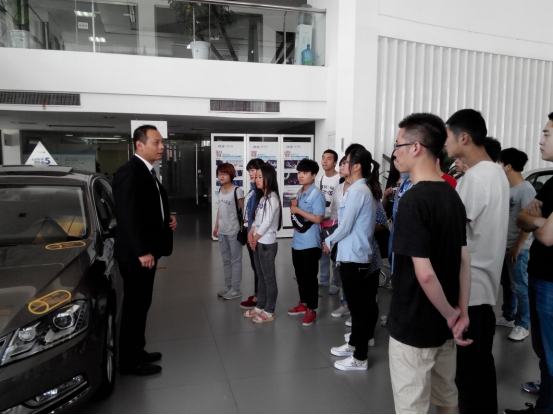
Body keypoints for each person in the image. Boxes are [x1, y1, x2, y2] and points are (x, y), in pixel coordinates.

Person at [388, 113, 471, 413]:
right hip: (444, 328)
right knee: (447, 399)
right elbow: (464, 260)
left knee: (413, 406)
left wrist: (451, 314)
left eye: (398, 145)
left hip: (414, 327)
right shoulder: (452, 196)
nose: (394, 153)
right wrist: (460, 312)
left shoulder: (413, 200)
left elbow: (424, 274)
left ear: (416, 147)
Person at [445, 108, 509, 414]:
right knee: (482, 369)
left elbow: (455, 234)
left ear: (464, 138)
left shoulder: (474, 178)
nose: (445, 143)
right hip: (487, 289)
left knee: (469, 376)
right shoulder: (496, 172)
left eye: (447, 136)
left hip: (470, 291)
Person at [113, 124, 177, 376]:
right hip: (136, 256)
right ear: (139, 145)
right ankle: (130, 362)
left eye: (162, 142)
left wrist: (166, 218)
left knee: (142, 303)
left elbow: (147, 207)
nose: (162, 147)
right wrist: (141, 251)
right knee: (134, 306)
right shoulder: (129, 172)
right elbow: (126, 216)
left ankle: (137, 351)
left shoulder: (147, 171)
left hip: (147, 250)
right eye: (156, 142)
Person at [506, 112, 553, 414]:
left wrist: (537, 221)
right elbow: (523, 218)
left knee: (550, 351)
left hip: (550, 283)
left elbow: (546, 236)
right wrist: (538, 220)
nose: (541, 140)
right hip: (542, 276)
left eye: (547, 134)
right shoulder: (551, 183)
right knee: (544, 351)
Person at [323, 148, 381, 371]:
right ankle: (354, 344)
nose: (342, 165)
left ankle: (360, 357)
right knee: (359, 307)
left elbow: (345, 226)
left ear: (357, 166)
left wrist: (329, 241)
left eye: (345, 161)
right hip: (352, 255)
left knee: (358, 309)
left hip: (354, 257)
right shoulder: (360, 189)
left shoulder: (358, 191)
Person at [496, 148, 535, 341]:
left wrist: (517, 246)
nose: (497, 166)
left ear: (508, 166)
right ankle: (508, 316)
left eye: (500, 163)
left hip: (519, 248)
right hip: (504, 245)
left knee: (520, 287)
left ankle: (522, 325)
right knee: (507, 284)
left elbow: (529, 221)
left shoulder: (526, 190)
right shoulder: (506, 188)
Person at [288, 158, 326, 326]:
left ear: (314, 175)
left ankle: (311, 309)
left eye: (305, 173)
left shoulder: (317, 194)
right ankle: (303, 303)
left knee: (310, 277)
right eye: (299, 172)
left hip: (310, 243)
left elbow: (318, 218)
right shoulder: (300, 192)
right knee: (300, 275)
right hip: (297, 241)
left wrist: (297, 209)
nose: (300, 175)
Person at [244, 163, 282, 323]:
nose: (256, 179)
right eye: (256, 176)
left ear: (268, 178)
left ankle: (269, 311)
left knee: (269, 278)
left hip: (267, 244)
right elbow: (257, 219)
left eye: (260, 177)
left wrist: (255, 238)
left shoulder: (272, 198)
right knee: (260, 276)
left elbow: (266, 223)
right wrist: (251, 232)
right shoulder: (262, 197)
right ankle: (260, 306)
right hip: (258, 242)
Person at [213, 163, 244, 300]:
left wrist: (244, 228)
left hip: (234, 231)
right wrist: (216, 226)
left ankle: (236, 289)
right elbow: (220, 209)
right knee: (226, 260)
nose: (221, 176)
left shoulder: (237, 191)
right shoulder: (220, 190)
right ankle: (227, 286)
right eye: (220, 174)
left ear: (231, 175)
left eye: (225, 174)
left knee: (236, 261)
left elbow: (243, 211)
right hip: (222, 231)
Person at [240, 158, 265, 310]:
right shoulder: (252, 189)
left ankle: (258, 297)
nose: (251, 173)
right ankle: (257, 293)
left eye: (253, 170)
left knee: (259, 268)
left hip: (256, 235)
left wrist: (252, 234)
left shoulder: (260, 192)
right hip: (250, 232)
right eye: (249, 170)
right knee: (255, 267)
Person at [329, 156, 351, 319]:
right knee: (343, 271)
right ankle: (345, 304)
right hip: (339, 235)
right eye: (341, 164)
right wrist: (332, 232)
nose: (341, 168)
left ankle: (356, 309)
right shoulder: (339, 187)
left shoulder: (362, 189)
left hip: (353, 240)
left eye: (344, 164)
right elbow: (335, 212)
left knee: (353, 277)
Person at [316, 149, 341, 293]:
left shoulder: (339, 179)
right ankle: (324, 279)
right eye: (323, 158)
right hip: (322, 220)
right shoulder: (320, 179)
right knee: (323, 252)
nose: (325, 161)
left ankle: (336, 282)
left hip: (334, 221)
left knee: (335, 252)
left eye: (329, 158)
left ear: (335, 162)